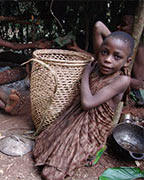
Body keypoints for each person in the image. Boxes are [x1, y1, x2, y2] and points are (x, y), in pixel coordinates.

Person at [33, 31, 134, 180]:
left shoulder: (123, 80)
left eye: (117, 56)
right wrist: (116, 41)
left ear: (127, 61)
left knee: (50, 175)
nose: (107, 60)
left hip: (92, 127)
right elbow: (98, 26)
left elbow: (87, 103)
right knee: (38, 151)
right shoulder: (98, 65)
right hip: (75, 116)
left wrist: (86, 73)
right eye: (104, 52)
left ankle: (96, 148)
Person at [93, 14, 144, 105]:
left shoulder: (139, 50)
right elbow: (98, 26)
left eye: (123, 25)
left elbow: (140, 84)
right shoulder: (116, 46)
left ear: (135, 28)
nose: (118, 27)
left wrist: (117, 77)